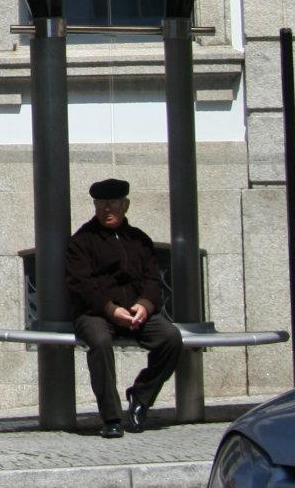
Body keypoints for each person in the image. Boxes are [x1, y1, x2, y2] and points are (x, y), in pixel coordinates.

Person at [65, 177, 184, 437]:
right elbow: (81, 285)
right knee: (99, 342)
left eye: (113, 203)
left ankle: (141, 396)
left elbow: (153, 280)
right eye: (101, 204)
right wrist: (110, 310)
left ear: (125, 205)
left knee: (171, 338)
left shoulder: (139, 240)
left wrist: (144, 305)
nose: (107, 209)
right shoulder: (82, 241)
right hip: (96, 312)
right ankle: (112, 418)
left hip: (135, 311)